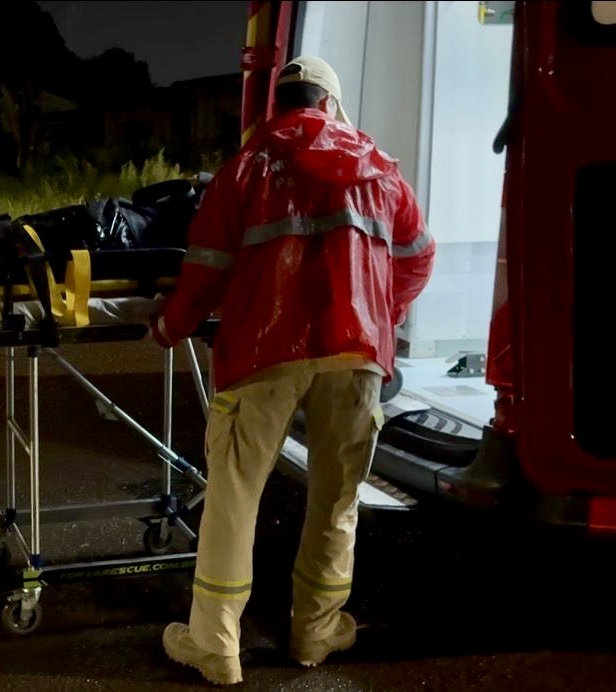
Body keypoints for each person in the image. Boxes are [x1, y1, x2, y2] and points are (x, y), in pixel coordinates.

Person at [152, 56, 435, 684]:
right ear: (331, 104)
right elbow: (418, 256)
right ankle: (315, 631)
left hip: (264, 351)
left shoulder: (246, 167)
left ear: (278, 107)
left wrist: (170, 327)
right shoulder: (380, 171)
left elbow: (206, 268)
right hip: (357, 351)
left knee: (234, 496)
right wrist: (378, 313)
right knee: (335, 498)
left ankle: (216, 645)